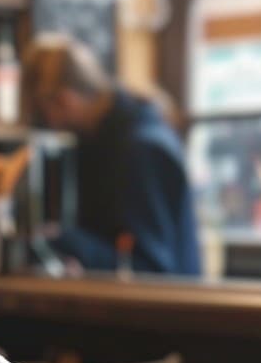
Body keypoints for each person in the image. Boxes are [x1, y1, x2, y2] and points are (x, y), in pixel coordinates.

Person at [23, 34, 201, 277]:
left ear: (65, 101)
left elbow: (151, 267)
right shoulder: (102, 141)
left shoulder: (142, 150)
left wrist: (68, 241)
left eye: (45, 114)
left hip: (169, 311)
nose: (50, 125)